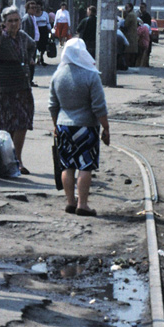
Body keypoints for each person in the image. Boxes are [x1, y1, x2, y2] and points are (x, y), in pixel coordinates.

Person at [49, 38, 110, 217]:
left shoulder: (58, 74)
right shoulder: (91, 75)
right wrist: (106, 128)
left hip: (63, 126)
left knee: (67, 165)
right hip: (86, 127)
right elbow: (99, 107)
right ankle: (82, 204)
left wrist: (55, 125)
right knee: (85, 165)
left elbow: (52, 105)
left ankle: (70, 202)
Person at [0, 7, 37, 174]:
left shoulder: (22, 37)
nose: (14, 24)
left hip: (22, 87)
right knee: (6, 124)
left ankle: (18, 159)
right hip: (4, 87)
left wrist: (30, 60)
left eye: (16, 20)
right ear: (4, 24)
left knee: (22, 121)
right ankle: (5, 159)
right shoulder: (0, 39)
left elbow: (33, 45)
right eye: (10, 21)